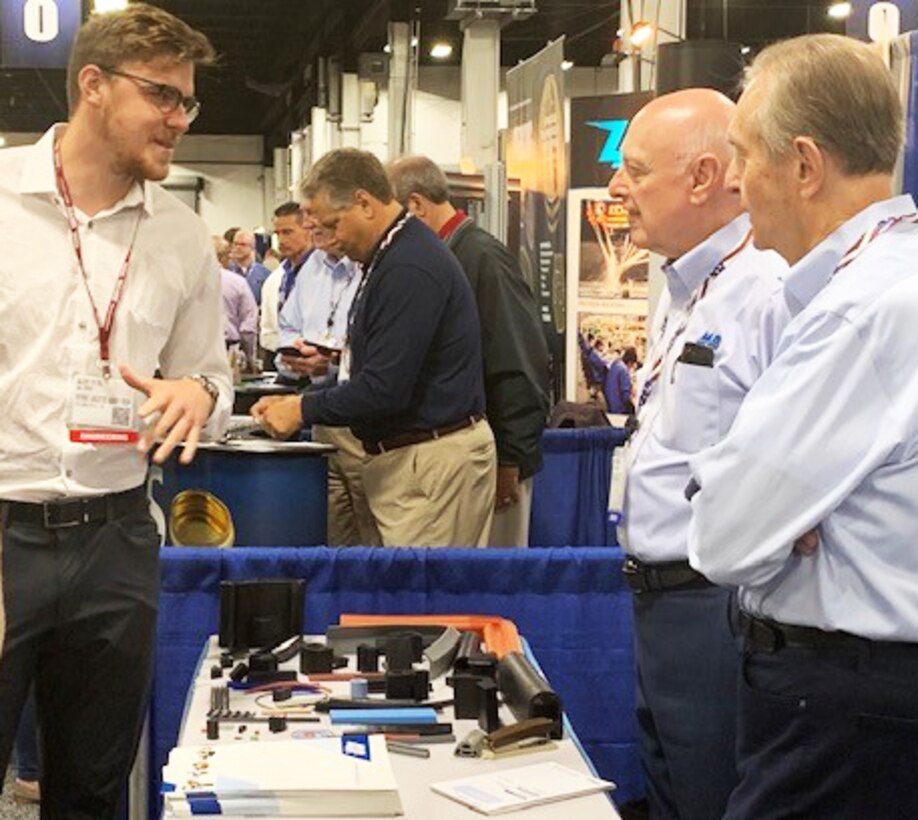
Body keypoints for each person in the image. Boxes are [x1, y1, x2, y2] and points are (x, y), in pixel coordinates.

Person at [0, 5, 231, 816]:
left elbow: (209, 372)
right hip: (5, 533)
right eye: (163, 96)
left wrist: (197, 392)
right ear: (92, 86)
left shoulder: (181, 235)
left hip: (117, 539)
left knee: (96, 789)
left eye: (186, 103)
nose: (179, 120)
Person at [686, 34, 918, 820]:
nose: (740, 184)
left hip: (844, 707)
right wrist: (779, 507)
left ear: (805, 166)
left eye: (745, 156)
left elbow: (721, 534)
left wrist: (746, 499)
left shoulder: (861, 311)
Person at [608, 88, 788, 820]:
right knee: (671, 793)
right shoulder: (682, 285)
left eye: (636, 170)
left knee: (713, 796)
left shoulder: (768, 289)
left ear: (704, 176)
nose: (618, 188)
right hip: (659, 601)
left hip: (719, 607)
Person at [252, 148, 496, 547]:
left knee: (422, 606)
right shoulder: (389, 258)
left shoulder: (408, 266)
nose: (329, 239)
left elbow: (385, 387)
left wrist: (302, 408)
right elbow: (374, 368)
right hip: (408, 462)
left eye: (332, 224)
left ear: (364, 203)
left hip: (430, 465)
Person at [387, 155, 549, 547]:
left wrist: (510, 458)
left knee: (490, 581)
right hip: (461, 458)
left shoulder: (481, 258)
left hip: (493, 457)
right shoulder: (443, 256)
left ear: (415, 205)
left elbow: (519, 360)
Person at [275, 203, 380, 546]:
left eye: (315, 216)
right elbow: (288, 324)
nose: (310, 224)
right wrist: (296, 351)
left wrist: (330, 358)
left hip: (362, 418)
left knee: (372, 530)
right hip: (322, 417)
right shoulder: (312, 268)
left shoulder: (371, 267)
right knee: (332, 533)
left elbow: (375, 346)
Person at [260, 202, 314, 364]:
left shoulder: (326, 272)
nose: (281, 240)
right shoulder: (274, 280)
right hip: (285, 362)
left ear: (307, 229)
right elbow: (268, 330)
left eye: (288, 232)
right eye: (278, 234)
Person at [213, 235, 258, 362]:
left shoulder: (188, 282)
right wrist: (250, 359)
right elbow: (248, 327)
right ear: (224, 257)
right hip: (227, 350)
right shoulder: (237, 282)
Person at [230, 228, 271, 305]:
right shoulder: (226, 272)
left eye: (243, 244)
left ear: (252, 247)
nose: (238, 247)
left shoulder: (265, 275)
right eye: (235, 244)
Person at [602, 346, 637, 415]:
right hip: (619, 409)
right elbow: (625, 396)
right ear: (630, 362)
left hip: (611, 404)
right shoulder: (624, 370)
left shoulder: (616, 364)